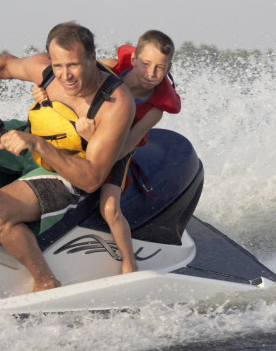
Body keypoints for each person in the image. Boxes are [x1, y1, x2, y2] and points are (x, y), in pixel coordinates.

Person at [0, 22, 135, 292]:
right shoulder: (48, 72)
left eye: (74, 65)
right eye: (58, 66)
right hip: (30, 138)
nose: (65, 75)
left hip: (68, 169)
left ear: (92, 58)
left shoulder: (116, 103)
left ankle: (45, 281)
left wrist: (36, 145)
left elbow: (91, 178)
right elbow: (6, 66)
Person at [32, 30, 181, 274]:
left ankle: (129, 262)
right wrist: (43, 92)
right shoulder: (110, 68)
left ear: (168, 68)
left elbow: (124, 147)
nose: (151, 74)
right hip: (79, 128)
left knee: (110, 209)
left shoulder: (155, 109)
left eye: (159, 68)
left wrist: (94, 139)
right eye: (145, 64)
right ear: (133, 60)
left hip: (117, 150)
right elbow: (68, 82)